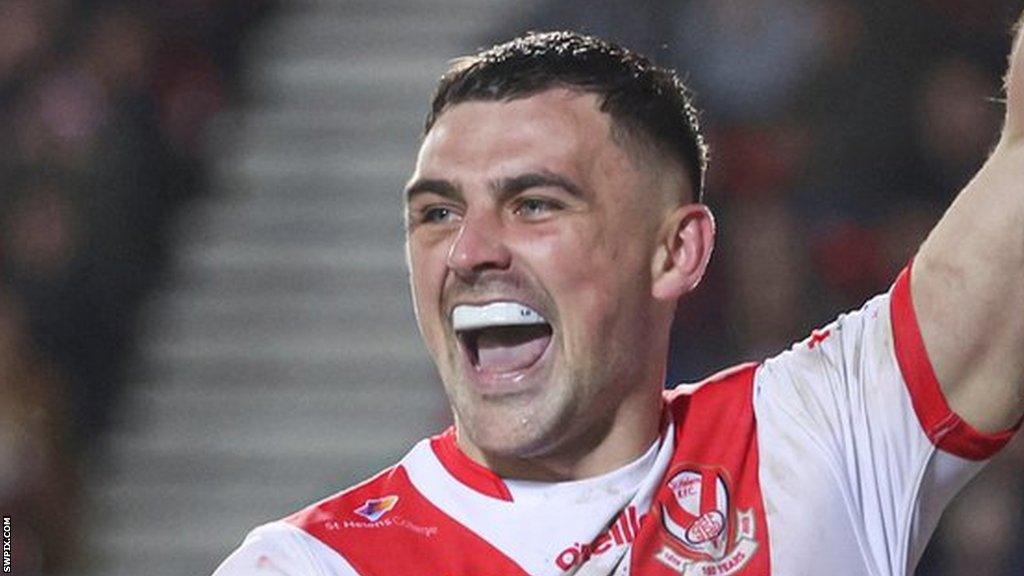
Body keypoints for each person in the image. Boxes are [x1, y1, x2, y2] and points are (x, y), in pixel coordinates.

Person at [212, 18, 1024, 576]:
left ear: (677, 251)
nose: (469, 252)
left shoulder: (819, 442)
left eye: (534, 204)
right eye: (437, 213)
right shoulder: (311, 564)